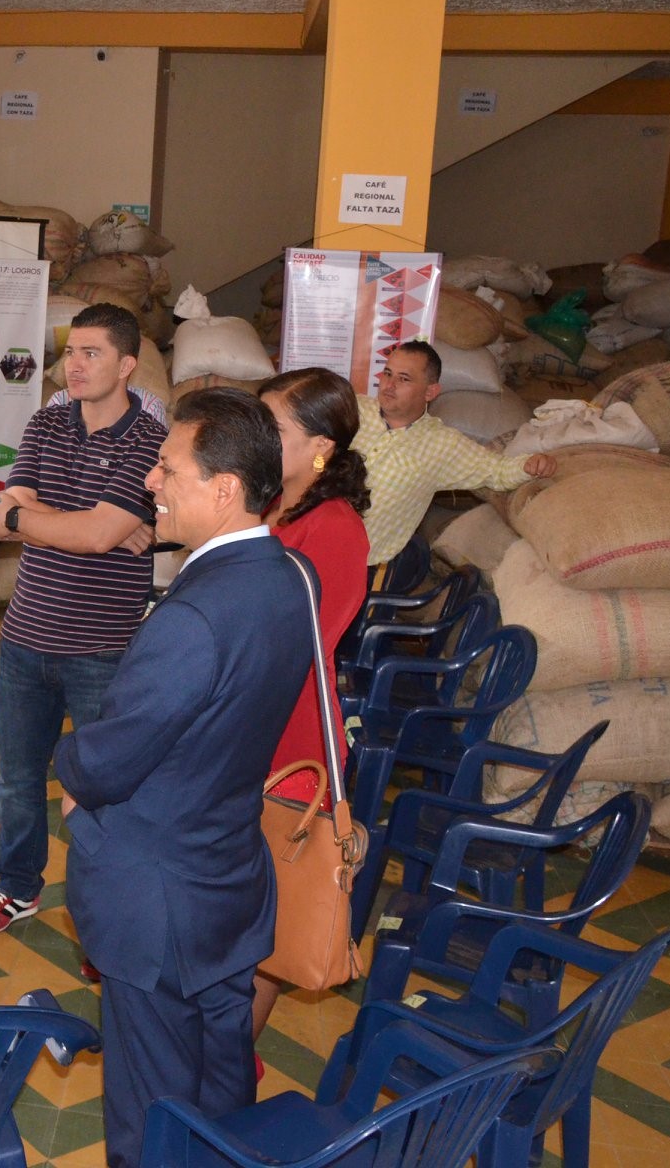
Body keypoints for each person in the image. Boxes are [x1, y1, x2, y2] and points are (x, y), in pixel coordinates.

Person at [54, 388, 316, 1164]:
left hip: (158, 899)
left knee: (152, 1109)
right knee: (222, 1076)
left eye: (167, 469)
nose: (150, 483)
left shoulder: (192, 619)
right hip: (229, 873)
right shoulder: (291, 577)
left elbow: (110, 754)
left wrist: (72, 783)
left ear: (225, 488)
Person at [0, 302, 165, 938]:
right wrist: (87, 525)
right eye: (70, 352)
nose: (73, 366)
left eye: (92, 354)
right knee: (16, 780)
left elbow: (96, 534)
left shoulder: (149, 440)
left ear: (127, 364)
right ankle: (18, 886)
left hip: (102, 650)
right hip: (25, 637)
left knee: (101, 788)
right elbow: (5, 517)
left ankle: (101, 907)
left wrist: (70, 524)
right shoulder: (47, 422)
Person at [251, 366, 371, 1041]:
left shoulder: (335, 528)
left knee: (276, 914)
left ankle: (232, 1069)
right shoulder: (274, 508)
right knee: (240, 898)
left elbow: (297, 644)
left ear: (320, 447)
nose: (259, 437)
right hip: (249, 727)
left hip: (291, 744)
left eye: (275, 427)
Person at [358, 340, 556, 565]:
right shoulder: (353, 411)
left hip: (356, 560)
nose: (389, 385)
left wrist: (530, 466)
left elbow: (497, 471)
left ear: (430, 391)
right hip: (311, 534)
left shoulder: (442, 445)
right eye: (387, 373)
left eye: (404, 379)